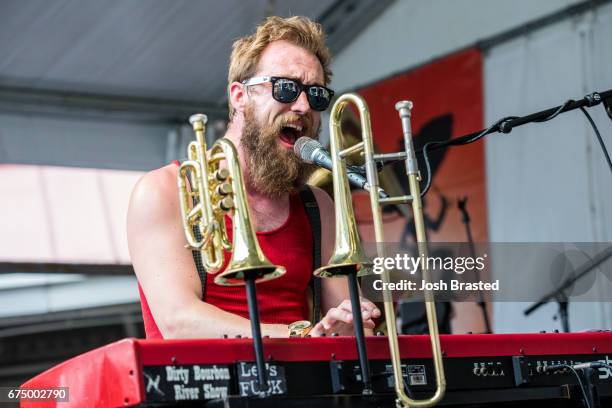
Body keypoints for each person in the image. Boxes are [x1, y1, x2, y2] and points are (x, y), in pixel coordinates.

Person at [127, 16, 380, 339]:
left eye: (316, 95)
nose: (303, 106)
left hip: (304, 386)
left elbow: (348, 330)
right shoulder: (163, 190)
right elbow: (179, 322)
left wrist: (353, 324)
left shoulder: (318, 205)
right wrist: (301, 337)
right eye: (286, 88)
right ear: (239, 96)